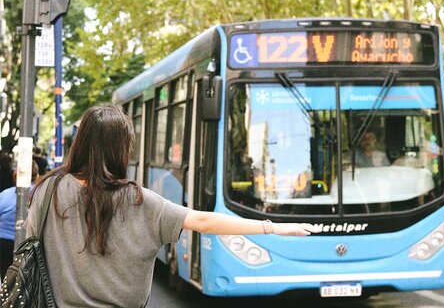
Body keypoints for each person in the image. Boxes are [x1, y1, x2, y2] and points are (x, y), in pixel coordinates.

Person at [24, 105, 316, 307]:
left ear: (81, 142)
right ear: (121, 149)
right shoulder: (138, 201)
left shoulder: (48, 190)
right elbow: (203, 222)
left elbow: (28, 249)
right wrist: (272, 226)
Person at [0, 161, 39, 281]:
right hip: (28, 243)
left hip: (3, 243)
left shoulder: (5, 194)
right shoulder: (39, 193)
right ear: (36, 175)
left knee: (6, 279)